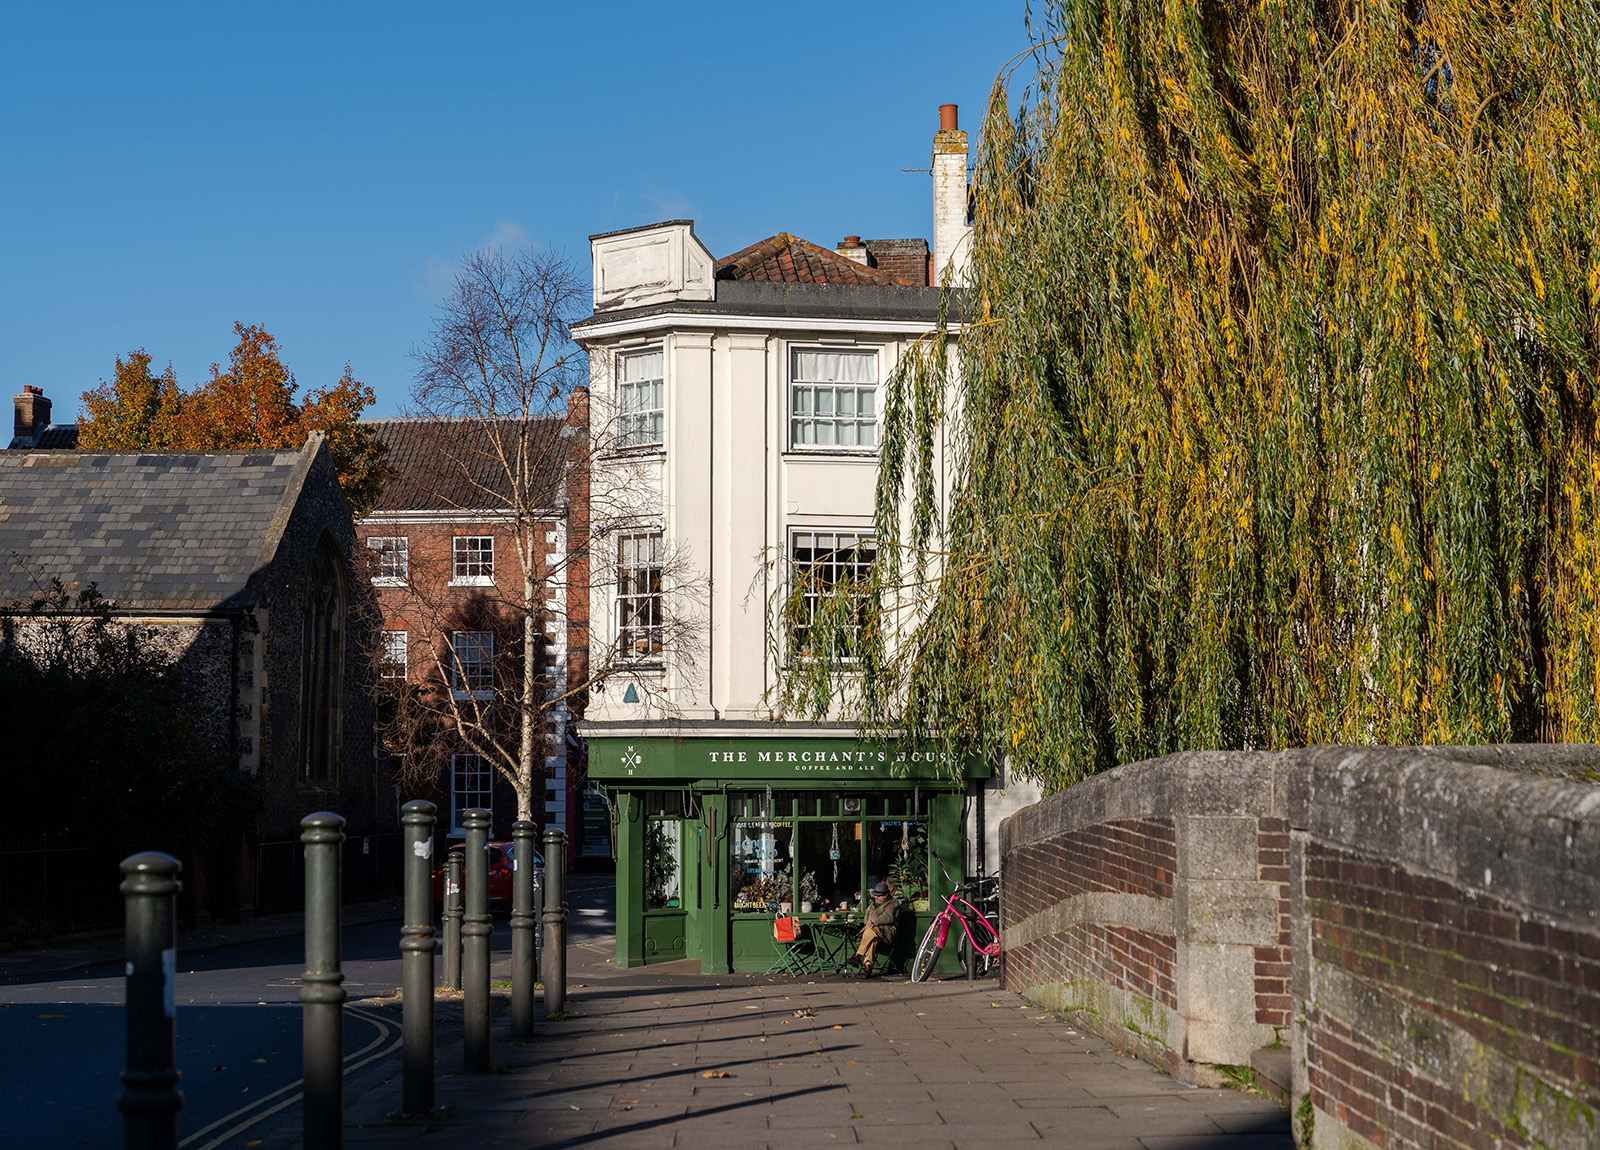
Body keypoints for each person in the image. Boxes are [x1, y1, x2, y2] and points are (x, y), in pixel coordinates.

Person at [848, 881, 900, 977]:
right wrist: (868, 923)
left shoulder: (893, 903)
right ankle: (867, 966)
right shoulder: (873, 904)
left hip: (886, 932)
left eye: (879, 896)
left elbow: (888, 917)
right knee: (872, 939)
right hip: (873, 933)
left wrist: (873, 923)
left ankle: (858, 955)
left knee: (870, 932)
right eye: (875, 895)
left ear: (885, 895)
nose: (876, 897)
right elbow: (867, 915)